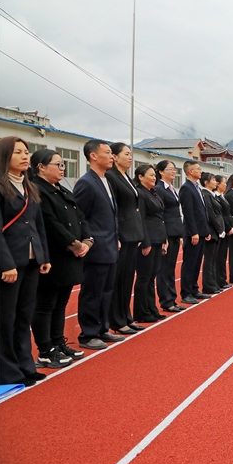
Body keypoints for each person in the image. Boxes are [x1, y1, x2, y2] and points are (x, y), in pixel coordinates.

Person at [0, 137, 51, 386]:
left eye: (26, 151)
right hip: (9, 263)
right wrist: (6, 264)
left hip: (30, 261)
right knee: (4, 318)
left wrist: (43, 257)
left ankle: (25, 365)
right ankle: (6, 371)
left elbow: (39, 226)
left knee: (23, 315)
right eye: (18, 152)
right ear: (4, 156)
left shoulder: (29, 187)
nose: (24, 155)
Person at [30, 149, 91, 368]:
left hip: (71, 256)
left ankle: (58, 343)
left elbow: (80, 217)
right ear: (41, 167)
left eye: (63, 164)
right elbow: (50, 223)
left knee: (60, 304)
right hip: (53, 255)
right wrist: (74, 245)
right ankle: (45, 350)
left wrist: (87, 241)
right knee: (46, 305)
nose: (62, 168)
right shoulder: (37, 190)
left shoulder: (61, 189)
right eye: (57, 164)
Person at [72, 139, 124, 350]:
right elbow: (80, 216)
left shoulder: (105, 181)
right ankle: (88, 334)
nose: (112, 156)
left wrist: (116, 236)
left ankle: (102, 328)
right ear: (93, 156)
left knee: (106, 291)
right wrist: (88, 241)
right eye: (108, 152)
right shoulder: (86, 182)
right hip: (96, 248)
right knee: (92, 292)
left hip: (111, 245)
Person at [105, 143, 145, 335]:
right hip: (122, 233)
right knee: (119, 279)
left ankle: (126, 317)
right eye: (126, 154)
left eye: (131, 154)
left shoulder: (125, 177)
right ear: (114, 156)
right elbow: (114, 208)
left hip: (132, 233)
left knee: (128, 278)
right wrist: (118, 234)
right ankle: (117, 319)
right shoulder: (111, 177)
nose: (130, 157)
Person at [133, 164, 167, 323]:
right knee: (144, 277)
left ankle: (151, 308)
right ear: (140, 176)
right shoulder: (140, 193)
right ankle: (141, 312)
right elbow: (141, 219)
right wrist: (145, 242)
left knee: (151, 276)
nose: (154, 178)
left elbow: (159, 217)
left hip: (158, 238)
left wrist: (164, 239)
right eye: (151, 175)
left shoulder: (152, 193)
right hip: (148, 240)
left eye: (155, 175)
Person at [154, 161, 185, 313]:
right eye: (170, 169)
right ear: (161, 171)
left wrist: (179, 234)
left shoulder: (172, 189)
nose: (173, 172)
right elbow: (159, 213)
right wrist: (164, 236)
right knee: (164, 269)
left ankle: (172, 298)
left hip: (175, 232)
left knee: (171, 268)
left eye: (174, 169)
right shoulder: (159, 189)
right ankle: (166, 300)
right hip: (166, 233)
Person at [178, 160, 210, 304]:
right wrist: (193, 232)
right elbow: (188, 212)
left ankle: (194, 288)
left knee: (197, 262)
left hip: (202, 231)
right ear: (190, 171)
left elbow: (202, 211)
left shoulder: (197, 187)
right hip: (193, 232)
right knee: (190, 262)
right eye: (198, 168)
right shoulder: (186, 188)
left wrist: (206, 230)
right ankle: (186, 293)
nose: (201, 171)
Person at [200, 172, 224, 294]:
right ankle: (208, 285)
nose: (216, 182)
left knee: (214, 259)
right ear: (206, 182)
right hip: (212, 231)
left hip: (216, 231)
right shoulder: (205, 194)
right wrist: (220, 229)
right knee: (209, 260)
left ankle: (213, 283)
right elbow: (210, 214)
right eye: (213, 180)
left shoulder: (211, 195)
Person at [213, 175, 233, 289]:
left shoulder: (222, 196)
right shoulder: (216, 198)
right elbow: (220, 215)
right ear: (217, 184)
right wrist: (227, 227)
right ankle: (218, 280)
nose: (226, 185)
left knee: (223, 257)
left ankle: (222, 279)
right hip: (222, 230)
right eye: (224, 183)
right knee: (219, 257)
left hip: (227, 229)